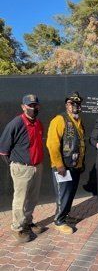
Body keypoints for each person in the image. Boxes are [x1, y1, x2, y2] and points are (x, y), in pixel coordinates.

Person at [0, 94, 44, 243]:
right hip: (22, 168)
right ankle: (17, 228)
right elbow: (3, 150)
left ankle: (27, 222)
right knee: (20, 199)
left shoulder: (38, 123)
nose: (33, 108)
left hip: (37, 167)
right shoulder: (16, 123)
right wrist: (16, 166)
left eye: (35, 105)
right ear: (23, 106)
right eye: (30, 105)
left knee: (33, 198)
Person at [46, 91, 85, 234]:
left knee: (70, 194)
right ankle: (59, 221)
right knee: (63, 194)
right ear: (67, 105)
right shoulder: (59, 120)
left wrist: (80, 164)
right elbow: (52, 144)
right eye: (72, 103)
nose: (75, 106)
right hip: (63, 167)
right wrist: (59, 165)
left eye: (78, 103)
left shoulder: (78, 121)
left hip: (75, 166)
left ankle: (65, 215)